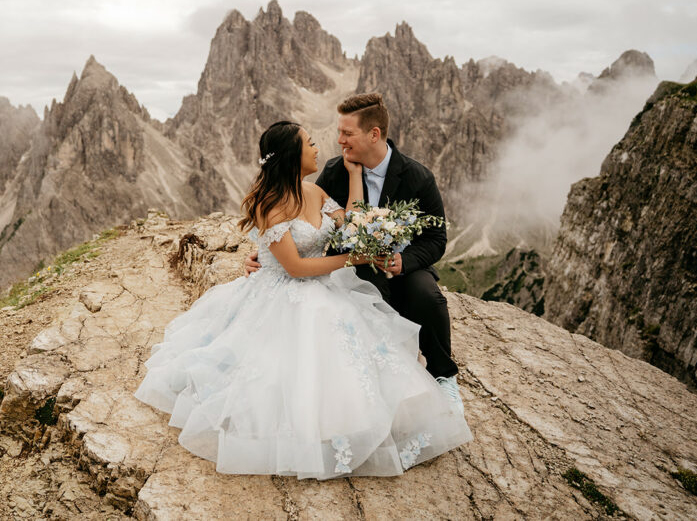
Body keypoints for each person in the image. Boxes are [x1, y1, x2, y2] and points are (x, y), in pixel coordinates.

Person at [134, 121, 472, 479]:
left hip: (322, 285)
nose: (316, 148)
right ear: (294, 155)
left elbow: (350, 223)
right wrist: (351, 259)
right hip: (283, 291)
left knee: (349, 340)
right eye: (309, 143)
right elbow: (295, 268)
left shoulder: (314, 192)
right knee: (308, 344)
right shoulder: (271, 204)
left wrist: (355, 176)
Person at [245, 93, 462, 409]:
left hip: (404, 264)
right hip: (355, 267)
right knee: (363, 297)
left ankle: (445, 376)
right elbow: (300, 217)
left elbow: (435, 238)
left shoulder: (417, 176)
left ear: (373, 134)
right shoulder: (334, 172)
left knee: (428, 296)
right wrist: (267, 254)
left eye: (347, 133)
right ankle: (394, 369)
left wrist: (405, 261)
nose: (339, 141)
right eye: (339, 132)